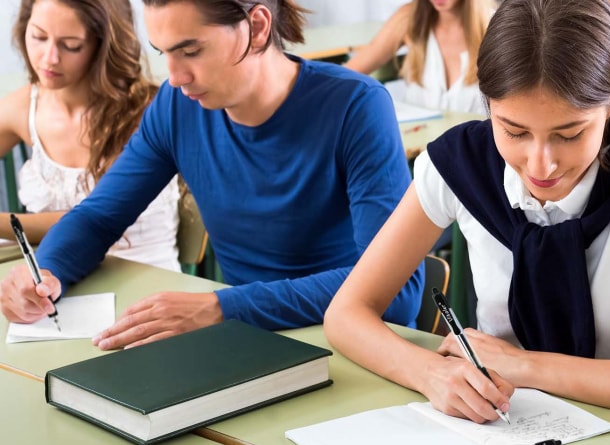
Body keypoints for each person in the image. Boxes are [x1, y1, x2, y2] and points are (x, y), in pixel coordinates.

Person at [325, 0, 610, 424]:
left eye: (569, 134)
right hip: (502, 430)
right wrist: (430, 374)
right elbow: (345, 314)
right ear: (486, 101)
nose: (540, 166)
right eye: (514, 131)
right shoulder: (460, 164)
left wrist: (528, 366)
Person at [0, 0, 422, 350]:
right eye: (163, 53)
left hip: (348, 345)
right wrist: (48, 272)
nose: (175, 77)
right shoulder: (175, 106)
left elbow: (396, 293)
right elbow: (99, 218)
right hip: (245, 344)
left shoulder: (357, 106)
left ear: (257, 27)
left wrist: (224, 307)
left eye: (191, 51)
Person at [0, 0, 180, 271]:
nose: (49, 58)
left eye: (70, 45)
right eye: (38, 36)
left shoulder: (147, 112)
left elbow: (97, 222)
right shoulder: (22, 106)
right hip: (56, 272)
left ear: (103, 45)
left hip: (144, 273)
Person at [344, 0, 493, 114]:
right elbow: (345, 74)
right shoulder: (410, 18)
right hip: (417, 149)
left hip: (473, 150)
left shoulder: (496, 28)